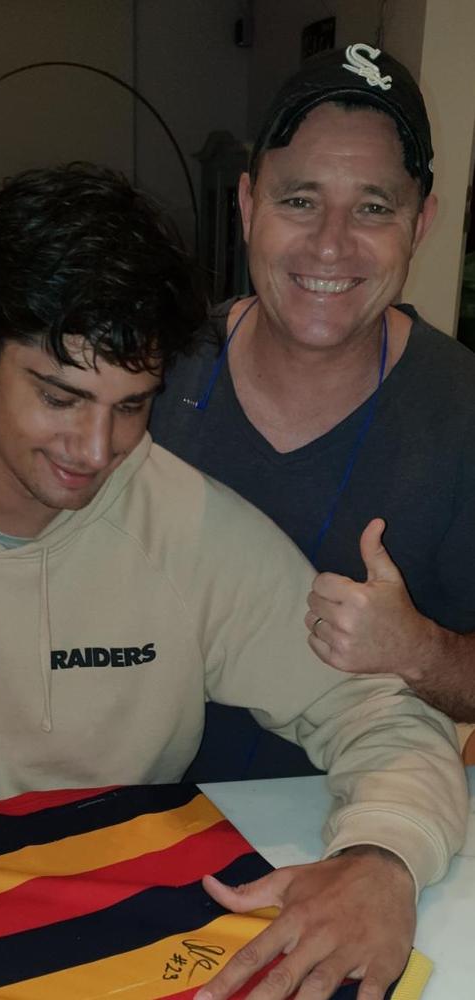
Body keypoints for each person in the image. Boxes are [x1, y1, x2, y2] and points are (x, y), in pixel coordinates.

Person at [0, 164, 466, 998]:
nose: (95, 452)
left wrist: (382, 859)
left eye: (131, 406)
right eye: (60, 396)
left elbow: (380, 714)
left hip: (115, 946)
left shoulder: (189, 527)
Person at [151, 42, 475, 788]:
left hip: (358, 825)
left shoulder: (462, 413)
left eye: (373, 206)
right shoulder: (154, 377)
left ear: (420, 224)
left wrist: (418, 648)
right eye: (299, 200)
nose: (331, 243)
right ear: (246, 204)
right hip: (133, 821)